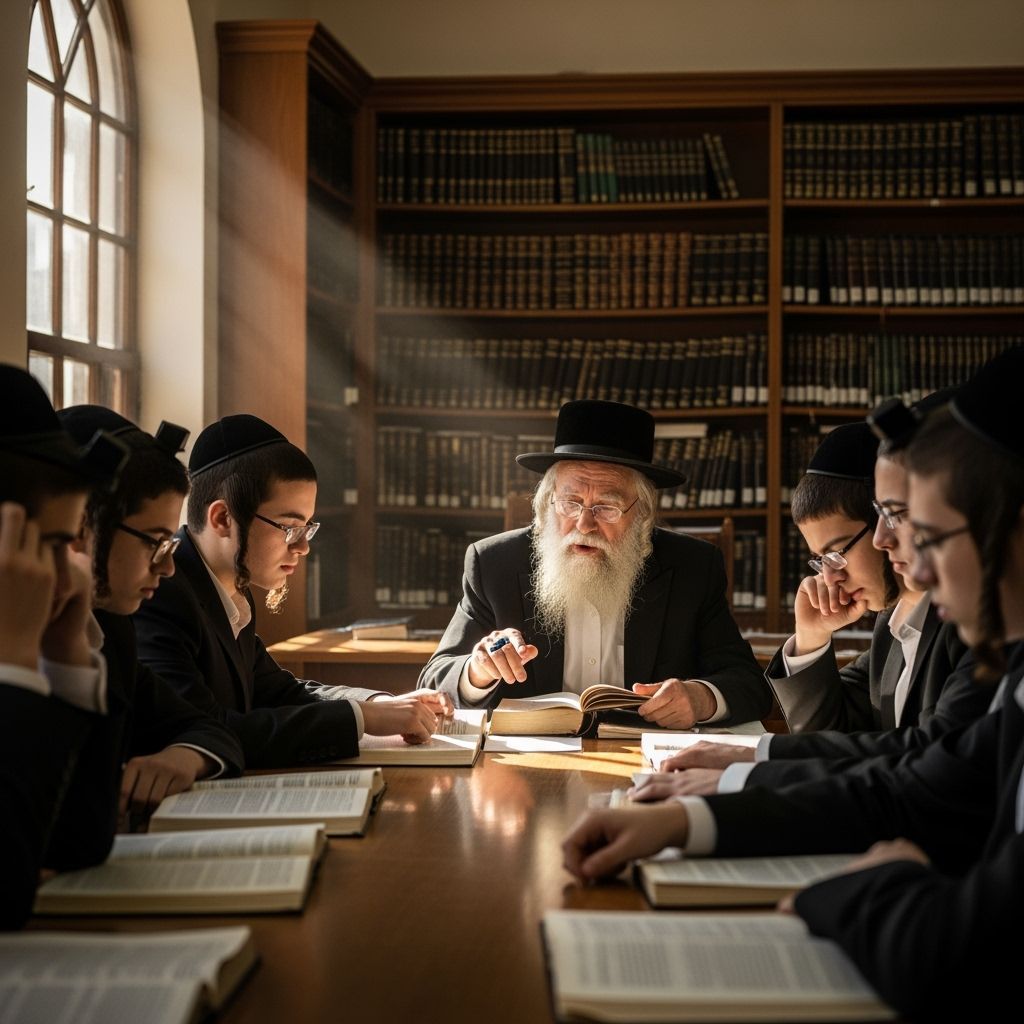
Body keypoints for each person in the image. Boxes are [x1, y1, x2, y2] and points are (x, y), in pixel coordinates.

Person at [561, 344, 1024, 1019]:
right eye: (898, 527)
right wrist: (690, 816)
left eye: (922, 532)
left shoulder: (977, 646)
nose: (913, 570)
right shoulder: (972, 652)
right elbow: (912, 779)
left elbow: (963, 940)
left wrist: (859, 885)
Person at [634, 394, 988, 797]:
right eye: (821, 559)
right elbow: (832, 732)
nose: (832, 576)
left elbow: (929, 756)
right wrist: (811, 639)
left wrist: (756, 759)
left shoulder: (969, 626)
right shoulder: (893, 627)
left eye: (838, 551)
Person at [418, 399, 770, 729]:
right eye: (570, 503)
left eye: (607, 507)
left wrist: (701, 698)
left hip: (645, 768)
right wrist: (477, 670)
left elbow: (749, 685)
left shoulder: (694, 566)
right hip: (526, 772)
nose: (584, 525)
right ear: (547, 504)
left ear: (642, 515)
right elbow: (434, 680)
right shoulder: (493, 563)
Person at [133, 414, 449, 768]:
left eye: (307, 528)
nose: (302, 548)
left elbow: (280, 692)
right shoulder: (161, 592)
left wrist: (377, 705)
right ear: (222, 519)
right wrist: (361, 717)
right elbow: (206, 731)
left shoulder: (227, 585)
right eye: (289, 527)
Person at [57, 406, 245, 813]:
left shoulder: (110, 629)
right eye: (155, 542)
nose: (168, 567)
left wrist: (185, 756)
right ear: (79, 528)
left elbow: (209, 729)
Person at [0, 365, 127, 928]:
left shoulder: (44, 639)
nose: (68, 573)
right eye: (52, 545)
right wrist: (13, 663)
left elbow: (78, 845)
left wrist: (67, 656)